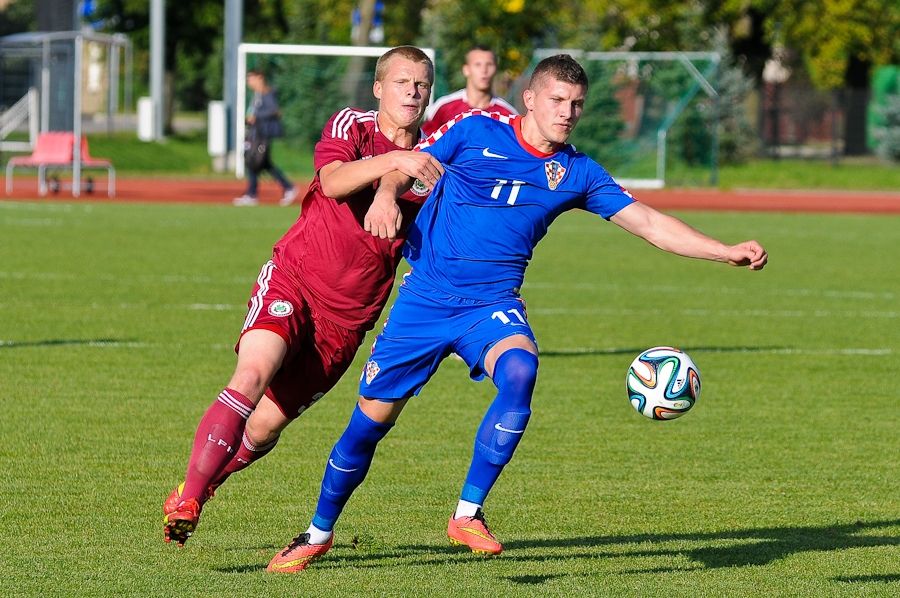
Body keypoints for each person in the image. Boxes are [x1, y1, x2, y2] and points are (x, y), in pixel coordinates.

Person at [266, 53, 768, 573]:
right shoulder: (474, 131)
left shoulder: (578, 172)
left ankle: (467, 513)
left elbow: (648, 223)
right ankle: (317, 533)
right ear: (530, 99)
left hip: (493, 304)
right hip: (426, 300)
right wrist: (386, 196)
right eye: (557, 100)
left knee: (522, 368)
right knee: (368, 427)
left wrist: (723, 250)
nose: (567, 112)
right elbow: (407, 165)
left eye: (576, 104)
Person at [163, 46, 444, 547]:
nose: (413, 92)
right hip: (296, 279)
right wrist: (392, 165)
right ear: (378, 88)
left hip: (349, 319)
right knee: (251, 376)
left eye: (422, 83)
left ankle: (197, 493)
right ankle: (190, 496)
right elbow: (333, 182)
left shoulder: (434, 156)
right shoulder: (352, 126)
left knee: (266, 428)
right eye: (402, 82)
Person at [233, 69, 299, 207]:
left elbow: (276, 111)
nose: (249, 82)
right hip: (256, 133)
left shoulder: (266, 93)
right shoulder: (257, 95)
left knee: (254, 161)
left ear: (260, 78)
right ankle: (286, 187)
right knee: (262, 163)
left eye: (251, 78)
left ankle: (253, 194)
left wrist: (257, 117)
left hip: (262, 135)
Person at [420, 45, 517, 136]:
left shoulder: (508, 114)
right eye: (478, 65)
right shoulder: (443, 107)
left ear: (496, 69)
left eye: (489, 64)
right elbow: (425, 143)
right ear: (466, 70)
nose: (484, 70)